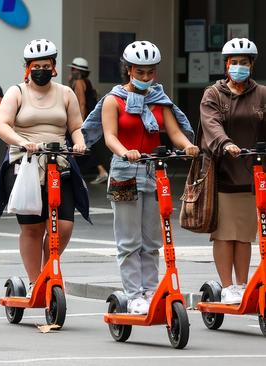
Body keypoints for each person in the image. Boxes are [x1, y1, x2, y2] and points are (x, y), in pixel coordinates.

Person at [82, 41, 197, 314]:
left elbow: (174, 131)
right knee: (129, 239)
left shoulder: (159, 99)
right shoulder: (114, 100)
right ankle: (134, 294)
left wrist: (187, 146)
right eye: (140, 72)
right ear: (128, 70)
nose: (146, 77)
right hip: (124, 170)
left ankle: (151, 290)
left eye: (150, 72)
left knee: (152, 238)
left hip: (154, 171)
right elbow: (109, 136)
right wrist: (125, 152)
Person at [0, 39, 87, 297]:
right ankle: (36, 281)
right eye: (37, 66)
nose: (42, 70)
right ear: (27, 67)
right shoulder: (17, 93)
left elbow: (76, 127)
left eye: (47, 65)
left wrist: (79, 143)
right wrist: (23, 142)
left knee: (64, 225)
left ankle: (49, 271)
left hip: (59, 163)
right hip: (25, 165)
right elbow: (2, 125)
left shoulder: (65, 93)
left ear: (54, 66)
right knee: (33, 227)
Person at [200, 38, 266, 304]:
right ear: (226, 65)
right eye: (234, 62)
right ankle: (227, 286)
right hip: (224, 173)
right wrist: (226, 144)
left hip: (253, 173)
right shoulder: (213, 94)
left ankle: (242, 284)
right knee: (225, 234)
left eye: (244, 62)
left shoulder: (261, 94)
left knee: (244, 235)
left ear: (252, 65)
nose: (239, 67)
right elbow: (211, 124)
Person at [68, 57, 109, 184]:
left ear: (77, 71)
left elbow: (81, 103)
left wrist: (80, 122)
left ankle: (102, 171)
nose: (71, 70)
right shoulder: (86, 81)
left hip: (85, 119)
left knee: (84, 146)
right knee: (87, 146)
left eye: (73, 68)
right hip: (91, 118)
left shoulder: (79, 82)